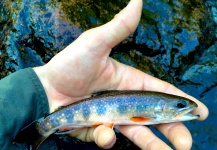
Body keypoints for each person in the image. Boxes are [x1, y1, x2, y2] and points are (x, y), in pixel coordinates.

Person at [0, 0, 208, 149]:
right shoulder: (150, 113)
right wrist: (44, 88)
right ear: (161, 107)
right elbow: (137, 119)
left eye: (181, 106)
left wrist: (39, 90)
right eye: (180, 106)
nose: (185, 108)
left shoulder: (155, 111)